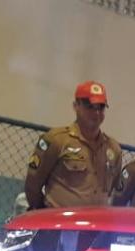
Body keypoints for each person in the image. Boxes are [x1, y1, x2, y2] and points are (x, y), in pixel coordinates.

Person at [25, 80, 122, 209]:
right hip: (59, 225)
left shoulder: (113, 149)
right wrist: (45, 214)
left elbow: (111, 190)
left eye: (101, 107)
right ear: (76, 106)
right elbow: (33, 185)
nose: (96, 112)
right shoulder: (57, 140)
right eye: (90, 106)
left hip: (94, 227)